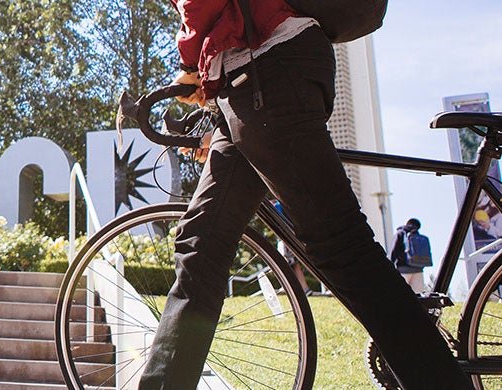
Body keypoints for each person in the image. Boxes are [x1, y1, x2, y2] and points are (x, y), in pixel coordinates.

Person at [142, 0, 472, 387]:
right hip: (254, 79)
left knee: (342, 247)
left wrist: (187, 65)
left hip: (268, 69)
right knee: (201, 242)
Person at [389, 218, 429, 293]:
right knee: (418, 296)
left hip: (403, 269)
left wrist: (389, 267)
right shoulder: (418, 236)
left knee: (400, 295)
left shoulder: (400, 233)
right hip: (418, 270)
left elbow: (394, 251)